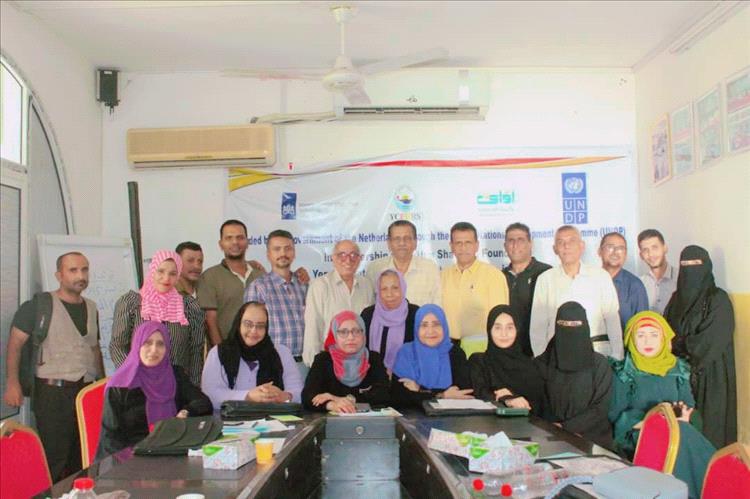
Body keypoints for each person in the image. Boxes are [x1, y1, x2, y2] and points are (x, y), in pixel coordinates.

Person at [3, 252, 104, 482]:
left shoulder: (91, 307)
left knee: (83, 456)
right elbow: (15, 344)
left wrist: (101, 386)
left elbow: (94, 348)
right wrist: (12, 383)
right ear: (59, 275)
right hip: (52, 394)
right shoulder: (38, 306)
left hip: (85, 392)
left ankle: (78, 495)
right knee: (55, 458)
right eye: (73, 270)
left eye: (84, 269)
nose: (81, 275)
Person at [609, 311, 716, 498]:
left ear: (664, 338)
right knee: (680, 442)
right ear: (631, 339)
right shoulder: (625, 371)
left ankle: (715, 485)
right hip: (640, 433)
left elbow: (689, 406)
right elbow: (615, 414)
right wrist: (652, 422)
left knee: (683, 436)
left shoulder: (678, 368)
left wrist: (685, 416)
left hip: (680, 430)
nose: (647, 341)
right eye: (640, 336)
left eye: (654, 335)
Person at [97, 322, 212, 459]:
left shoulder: (175, 375)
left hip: (172, 453)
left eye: (160, 344)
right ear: (137, 345)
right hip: (131, 461)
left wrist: (186, 411)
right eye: (147, 343)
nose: (154, 350)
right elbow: (110, 438)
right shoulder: (121, 385)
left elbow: (203, 403)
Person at [664, 245, 736, 448]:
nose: (690, 269)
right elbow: (666, 333)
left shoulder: (718, 299)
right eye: (685, 264)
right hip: (679, 375)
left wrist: (679, 345)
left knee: (710, 429)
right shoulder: (676, 299)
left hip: (711, 375)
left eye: (695, 263)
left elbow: (711, 340)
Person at [110, 250, 205, 385]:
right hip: (138, 384)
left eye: (173, 273)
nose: (166, 278)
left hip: (177, 385)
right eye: (161, 271)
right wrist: (133, 377)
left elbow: (196, 351)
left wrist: (193, 387)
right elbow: (117, 346)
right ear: (152, 271)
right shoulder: (130, 303)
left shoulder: (189, 306)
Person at [530, 225, 623, 359]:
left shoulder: (600, 276)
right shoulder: (545, 279)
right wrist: (541, 360)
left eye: (571, 241)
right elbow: (537, 326)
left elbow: (612, 319)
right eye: (561, 242)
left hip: (597, 353)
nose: (566, 246)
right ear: (555, 249)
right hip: (558, 355)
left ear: (582, 246)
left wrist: (617, 356)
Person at [537, 301, 613, 448]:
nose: (569, 329)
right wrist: (556, 428)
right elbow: (539, 402)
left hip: (593, 438)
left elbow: (601, 407)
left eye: (575, 324)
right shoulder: (543, 363)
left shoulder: (599, 364)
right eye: (564, 324)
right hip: (551, 435)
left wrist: (568, 428)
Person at [201, 302, 303, 410]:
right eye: (248, 324)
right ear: (238, 324)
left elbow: (299, 392)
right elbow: (211, 394)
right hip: (230, 419)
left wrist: (284, 396)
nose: (254, 331)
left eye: (260, 326)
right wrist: (248, 396)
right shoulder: (218, 353)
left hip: (273, 418)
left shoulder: (282, 353)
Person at [302, 240, 374, 366]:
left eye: (353, 255)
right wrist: (314, 364)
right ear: (333, 258)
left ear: (359, 259)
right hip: (329, 361)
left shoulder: (366, 285)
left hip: (360, 362)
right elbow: (313, 327)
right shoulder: (320, 286)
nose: (348, 260)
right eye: (342, 255)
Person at [302, 311, 390, 413]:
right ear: (334, 335)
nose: (351, 337)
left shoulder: (373, 359)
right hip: (331, 421)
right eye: (343, 332)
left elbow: (384, 395)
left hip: (369, 420)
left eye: (356, 331)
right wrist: (331, 405)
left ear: (363, 334)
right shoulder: (323, 360)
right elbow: (308, 398)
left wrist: (336, 398)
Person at [441, 222, 508, 351]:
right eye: (458, 243)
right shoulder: (442, 276)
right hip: (448, 347)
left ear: (477, 245)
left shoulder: (494, 276)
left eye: (468, 243)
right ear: (451, 246)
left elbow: (500, 319)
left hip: (481, 348)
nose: (463, 248)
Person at [391, 304, 473, 409]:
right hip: (412, 416)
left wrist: (420, 389)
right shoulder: (406, 353)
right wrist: (442, 395)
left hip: (449, 415)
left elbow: (463, 392)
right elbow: (399, 396)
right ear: (416, 328)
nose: (430, 331)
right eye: (424, 325)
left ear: (444, 326)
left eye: (436, 324)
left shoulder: (455, 353)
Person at [197, 220, 266, 345]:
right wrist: (221, 352)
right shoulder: (209, 277)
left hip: (259, 350)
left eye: (240, 237)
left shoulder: (260, 275)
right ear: (221, 244)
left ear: (247, 242)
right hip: (227, 350)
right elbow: (210, 321)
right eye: (229, 238)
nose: (235, 242)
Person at [469, 305, 545, 415]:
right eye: (497, 328)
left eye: (509, 328)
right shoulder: (479, 361)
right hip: (487, 422)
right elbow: (479, 392)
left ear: (517, 330)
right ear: (489, 330)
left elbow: (538, 406)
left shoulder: (531, 366)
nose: (504, 334)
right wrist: (507, 399)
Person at [245, 230, 307, 360]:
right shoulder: (258, 287)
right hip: (272, 361)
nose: (283, 253)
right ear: (268, 254)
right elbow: (250, 332)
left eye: (287, 248)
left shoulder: (304, 285)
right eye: (277, 249)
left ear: (294, 253)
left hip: (305, 361)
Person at [501, 222, 552, 356]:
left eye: (520, 240)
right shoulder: (499, 277)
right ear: (505, 246)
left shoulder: (546, 273)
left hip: (540, 351)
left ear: (530, 243)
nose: (515, 245)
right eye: (511, 241)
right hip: (508, 351)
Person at [365, 220, 441, 306]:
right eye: (397, 239)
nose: (402, 243)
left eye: (407, 238)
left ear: (415, 242)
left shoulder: (430, 268)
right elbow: (369, 305)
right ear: (389, 243)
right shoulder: (375, 269)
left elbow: (437, 305)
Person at [360, 269, 419, 373]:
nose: (389, 294)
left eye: (395, 288)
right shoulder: (367, 315)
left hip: (406, 377)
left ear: (403, 288)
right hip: (373, 376)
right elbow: (360, 350)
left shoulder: (415, 314)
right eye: (384, 289)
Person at [598, 232, 648, 329]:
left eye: (620, 248)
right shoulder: (589, 281)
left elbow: (642, 327)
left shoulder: (635, 285)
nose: (615, 252)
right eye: (610, 247)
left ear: (625, 254)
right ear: (599, 251)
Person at [637, 229, 677, 315]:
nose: (651, 254)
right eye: (645, 250)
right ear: (641, 255)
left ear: (665, 248)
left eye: (654, 248)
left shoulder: (681, 278)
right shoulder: (639, 284)